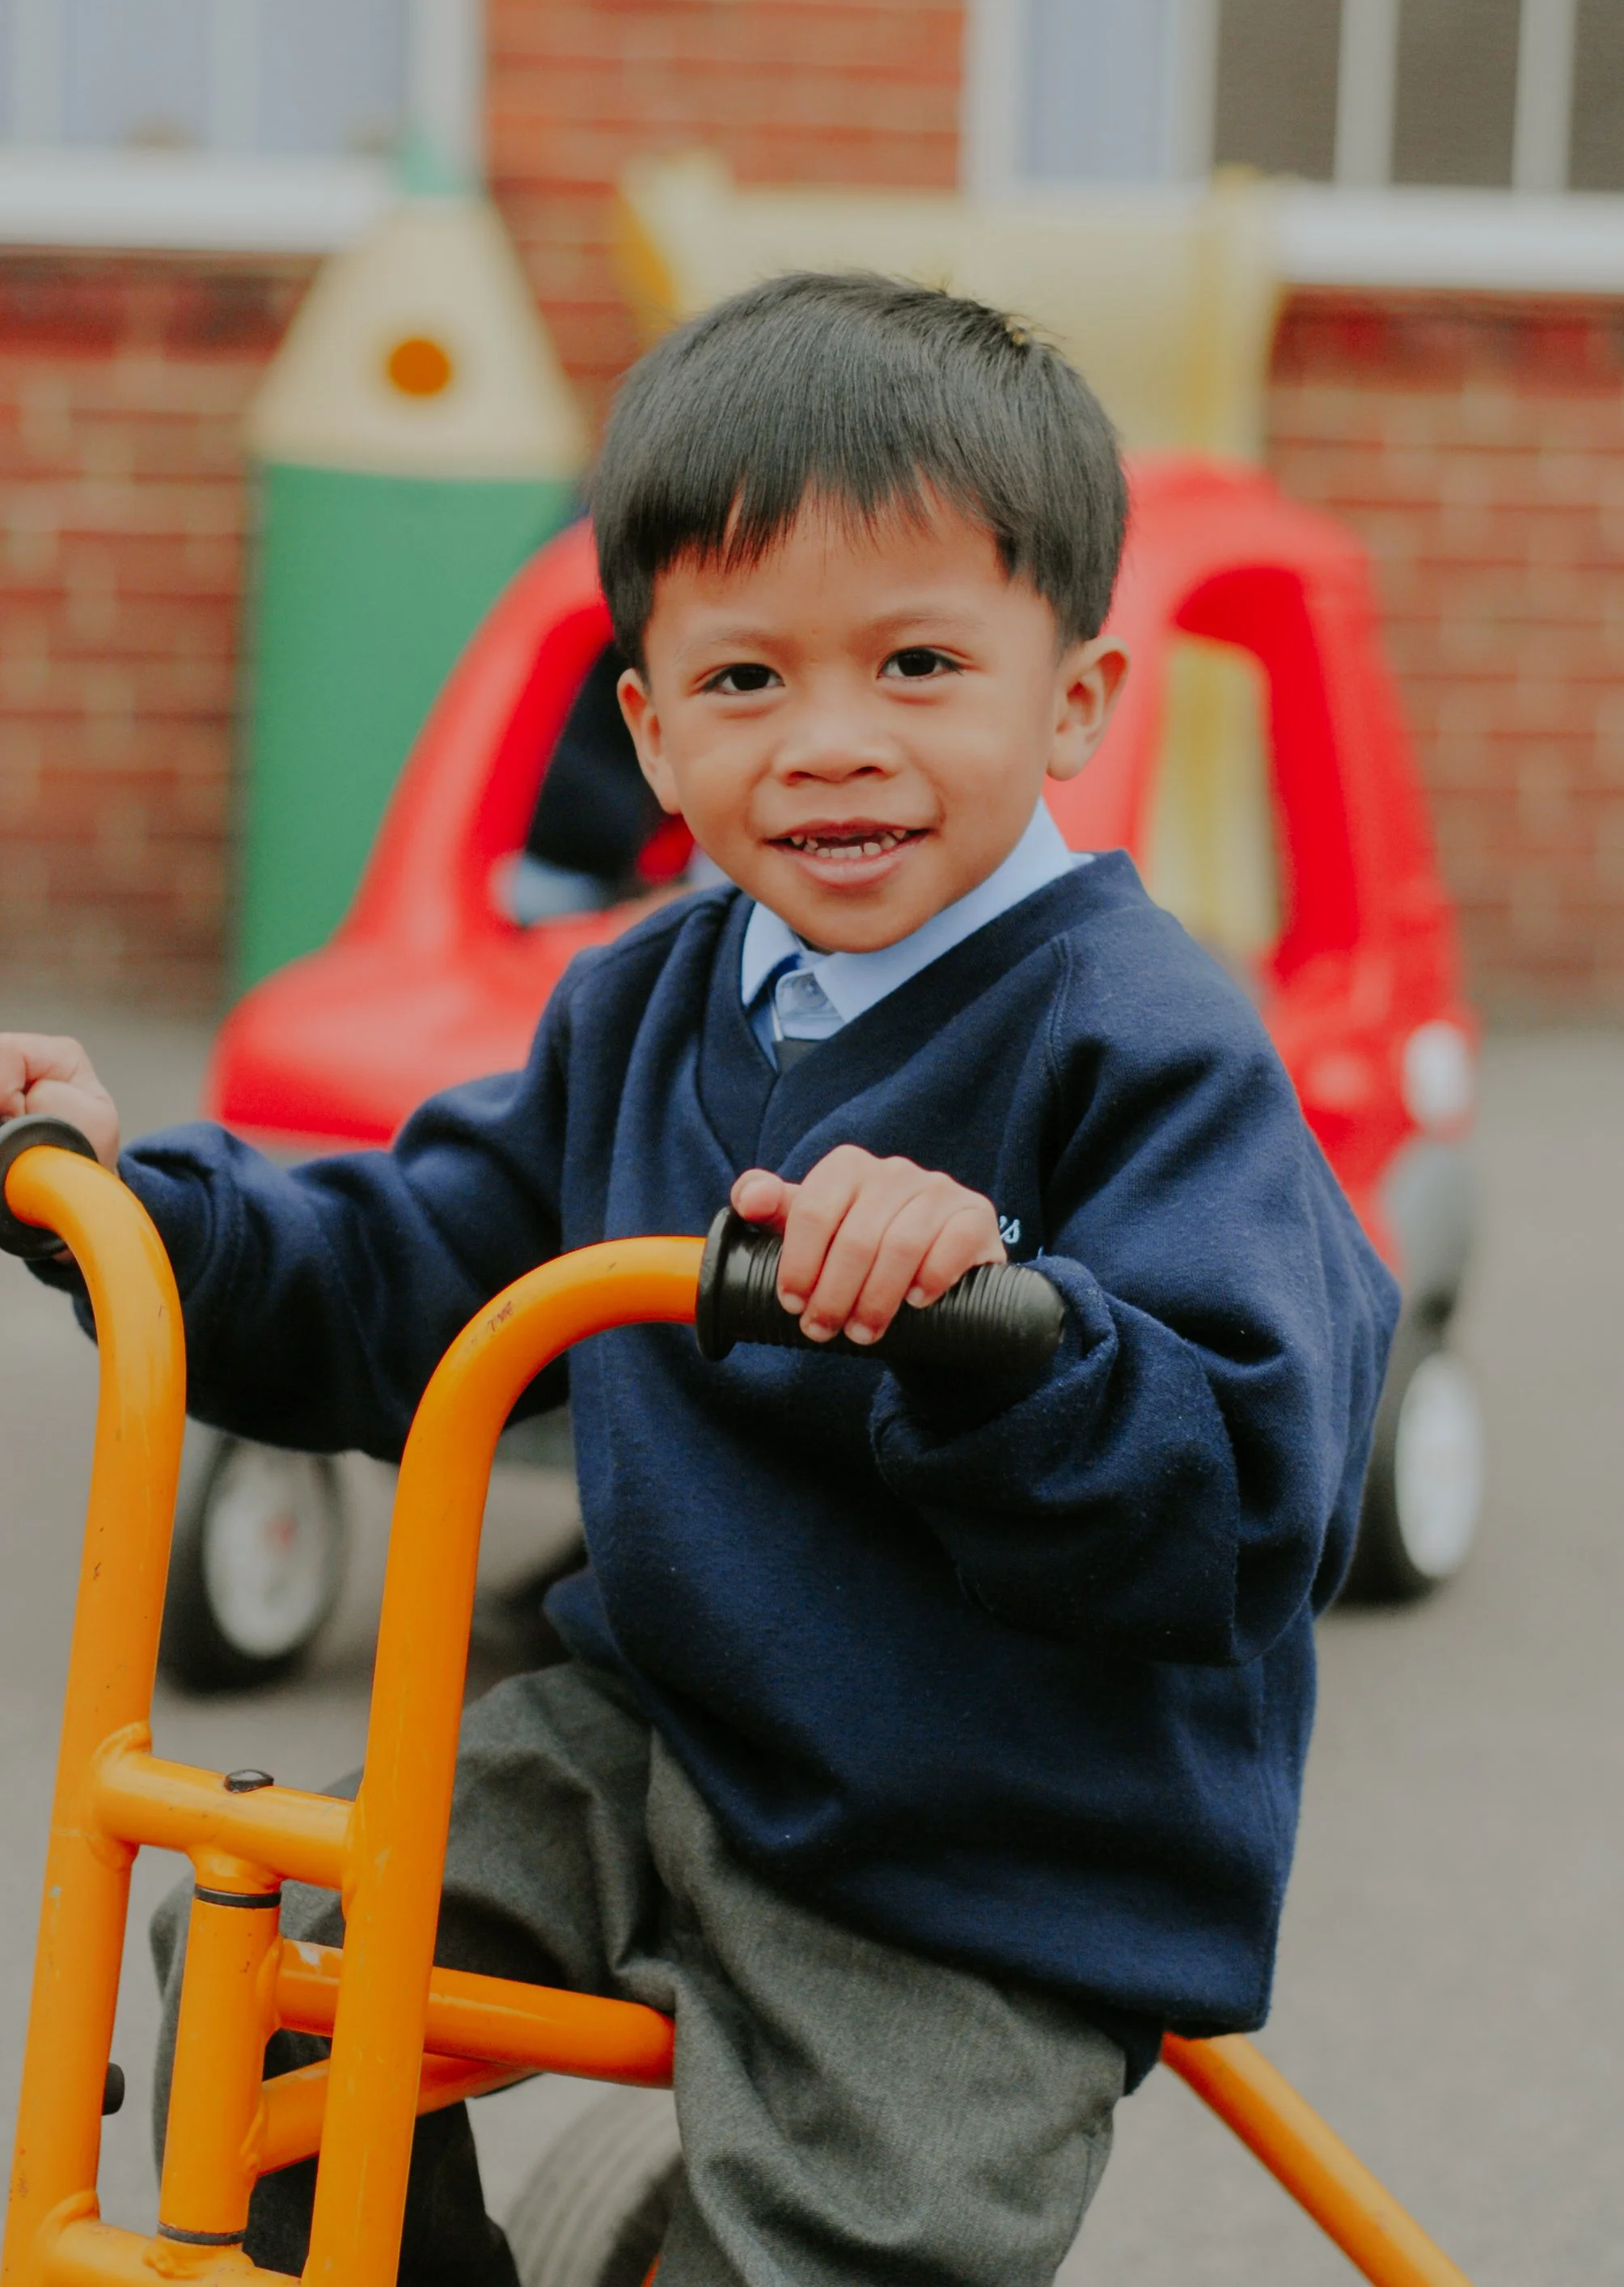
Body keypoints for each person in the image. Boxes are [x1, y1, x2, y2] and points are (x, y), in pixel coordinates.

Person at [0, 272, 1398, 2287]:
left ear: (1072, 700)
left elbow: (1251, 1502)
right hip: (650, 1723)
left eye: (918, 663)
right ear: (649, 732)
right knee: (263, 1965)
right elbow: (407, 1272)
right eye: (746, 684)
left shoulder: (1142, 1041)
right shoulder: (647, 998)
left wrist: (1005, 1328)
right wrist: (134, 1204)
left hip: (982, 1838)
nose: (831, 744)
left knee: (850, 2244)